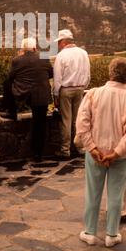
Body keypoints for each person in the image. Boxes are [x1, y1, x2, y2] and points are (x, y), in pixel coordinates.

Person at [76, 57, 126, 247]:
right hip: (120, 157)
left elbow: (82, 125)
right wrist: (115, 153)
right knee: (116, 195)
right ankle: (112, 235)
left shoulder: (93, 94)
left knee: (93, 193)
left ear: (111, 72)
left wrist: (93, 149)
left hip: (95, 154)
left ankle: (89, 232)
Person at [2, 38, 53, 162]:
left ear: (23, 49)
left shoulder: (17, 60)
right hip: (42, 94)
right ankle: (38, 154)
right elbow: (51, 74)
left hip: (23, 94)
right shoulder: (45, 57)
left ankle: (12, 111)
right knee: (40, 124)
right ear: (35, 48)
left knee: (6, 83)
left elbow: (10, 77)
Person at [53, 29, 90, 159]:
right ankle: (80, 147)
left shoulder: (61, 55)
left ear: (63, 42)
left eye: (58, 42)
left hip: (66, 90)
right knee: (78, 120)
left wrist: (56, 94)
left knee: (66, 121)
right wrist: (83, 86)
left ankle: (65, 150)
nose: (58, 45)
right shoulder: (83, 53)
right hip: (80, 89)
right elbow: (88, 74)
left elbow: (57, 78)